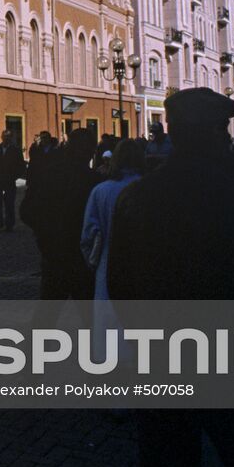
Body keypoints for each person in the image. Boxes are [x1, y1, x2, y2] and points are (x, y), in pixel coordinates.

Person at [107, 87, 234, 467]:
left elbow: (119, 285)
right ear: (208, 133)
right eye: (222, 128)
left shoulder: (137, 197)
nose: (227, 137)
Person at [80, 139, 144, 361]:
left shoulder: (100, 191)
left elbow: (88, 235)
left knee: (110, 331)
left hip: (107, 268)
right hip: (143, 269)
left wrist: (94, 263)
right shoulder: (148, 189)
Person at [23, 128, 97, 307]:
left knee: (47, 318)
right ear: (90, 152)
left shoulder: (50, 174)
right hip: (82, 261)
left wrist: (44, 237)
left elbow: (26, 210)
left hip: (54, 256)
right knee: (92, 321)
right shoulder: (94, 181)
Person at [0, 129, 26, 232]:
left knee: (9, 204)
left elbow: (21, 166)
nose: (6, 138)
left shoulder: (16, 150)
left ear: (11, 138)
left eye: (8, 136)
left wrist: (13, 177)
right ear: (1, 137)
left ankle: (9, 225)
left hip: (9, 182)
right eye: (4, 136)